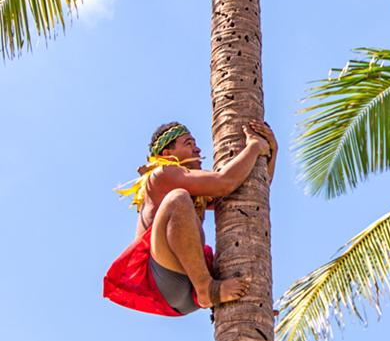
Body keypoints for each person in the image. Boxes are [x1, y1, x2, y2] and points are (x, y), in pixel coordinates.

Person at [103, 120, 277, 317]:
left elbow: (250, 192)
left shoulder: (195, 190)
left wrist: (271, 151)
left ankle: (235, 299)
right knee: (177, 199)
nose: (197, 149)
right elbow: (225, 183)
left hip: (185, 290)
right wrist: (254, 147)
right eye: (189, 143)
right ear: (167, 155)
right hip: (166, 278)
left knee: (182, 198)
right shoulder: (161, 175)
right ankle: (206, 288)